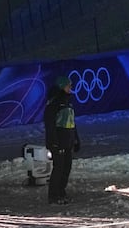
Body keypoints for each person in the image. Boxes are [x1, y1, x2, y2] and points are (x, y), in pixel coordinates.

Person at [44, 75, 81, 205]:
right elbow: (50, 125)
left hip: (68, 141)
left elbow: (72, 123)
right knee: (58, 168)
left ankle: (61, 192)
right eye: (68, 85)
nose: (70, 88)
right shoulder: (54, 104)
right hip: (58, 142)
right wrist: (53, 142)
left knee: (66, 168)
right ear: (61, 87)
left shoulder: (68, 102)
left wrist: (76, 139)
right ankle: (53, 196)